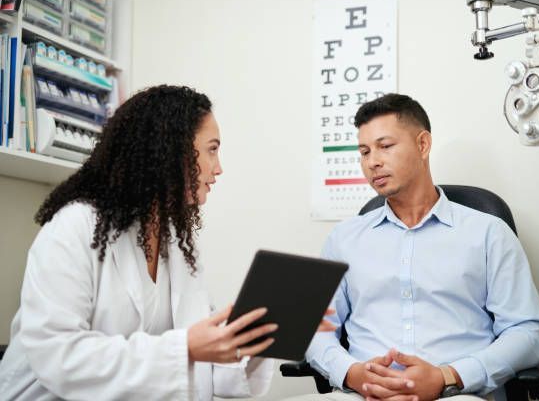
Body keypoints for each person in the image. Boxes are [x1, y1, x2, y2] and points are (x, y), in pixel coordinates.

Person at [0, 85, 333, 400]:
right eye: (212, 150)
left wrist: (255, 339)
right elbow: (57, 356)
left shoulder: (174, 242)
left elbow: (205, 370)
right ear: (170, 152)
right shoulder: (76, 226)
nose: (219, 168)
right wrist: (184, 348)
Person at [293, 94, 539, 401]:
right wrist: (352, 373)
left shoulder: (489, 234)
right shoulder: (343, 238)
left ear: (423, 144)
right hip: (362, 395)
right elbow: (316, 328)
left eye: (385, 146)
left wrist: (448, 376)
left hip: (457, 395)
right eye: (364, 151)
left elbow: (528, 333)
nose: (372, 161)